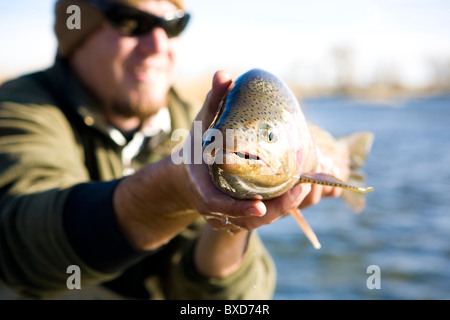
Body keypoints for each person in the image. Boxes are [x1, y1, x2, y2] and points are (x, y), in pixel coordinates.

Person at [0, 0, 340, 300]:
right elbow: (21, 245)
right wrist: (174, 189)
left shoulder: (200, 126)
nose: (158, 44)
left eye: (173, 23)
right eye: (130, 21)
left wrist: (234, 218)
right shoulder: (20, 107)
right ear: (75, 34)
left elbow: (221, 301)